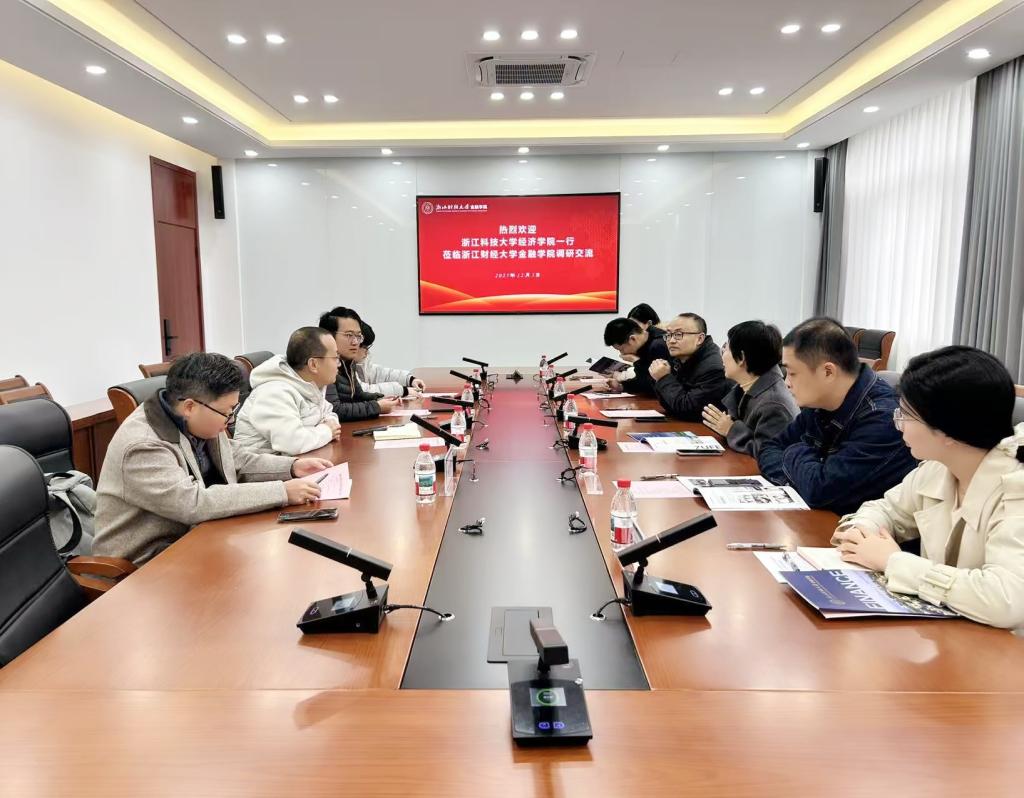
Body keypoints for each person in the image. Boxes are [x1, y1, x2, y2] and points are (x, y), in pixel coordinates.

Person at [832, 346, 1024, 629]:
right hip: (950, 632)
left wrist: (894, 562)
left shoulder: (1016, 487)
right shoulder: (940, 467)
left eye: (906, 415)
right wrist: (862, 532)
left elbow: (1007, 600)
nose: (898, 424)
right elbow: (886, 508)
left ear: (949, 430)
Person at [92, 353, 331, 565]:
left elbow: (237, 459)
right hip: (146, 562)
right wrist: (282, 492)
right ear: (189, 407)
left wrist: (292, 467)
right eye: (226, 413)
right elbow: (192, 502)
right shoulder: (142, 445)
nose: (230, 420)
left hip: (197, 538)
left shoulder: (199, 419)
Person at [758, 317, 917, 514]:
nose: (786, 382)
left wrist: (793, 451)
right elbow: (769, 449)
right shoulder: (819, 402)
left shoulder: (882, 419)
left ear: (828, 372)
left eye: (792, 373)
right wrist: (804, 475)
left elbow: (821, 491)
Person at [233, 327, 343, 455]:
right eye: (335, 357)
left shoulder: (311, 385)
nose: (339, 364)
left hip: (296, 460)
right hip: (263, 465)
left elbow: (329, 416)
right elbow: (293, 443)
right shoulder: (274, 393)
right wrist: (326, 431)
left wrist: (327, 428)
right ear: (313, 364)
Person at [702, 320, 799, 457]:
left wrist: (731, 430)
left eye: (726, 348)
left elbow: (767, 453)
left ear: (741, 358)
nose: (722, 354)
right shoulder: (747, 386)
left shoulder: (774, 404)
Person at [319, 307, 400, 421]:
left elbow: (358, 395)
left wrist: (379, 399)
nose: (355, 342)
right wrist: (376, 407)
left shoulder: (348, 363)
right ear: (329, 336)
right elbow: (334, 409)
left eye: (358, 336)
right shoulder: (323, 365)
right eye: (349, 335)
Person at [649, 312, 734, 420]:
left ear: (700, 338)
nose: (671, 341)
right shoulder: (681, 358)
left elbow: (689, 410)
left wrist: (664, 378)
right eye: (669, 335)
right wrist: (659, 377)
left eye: (678, 334)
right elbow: (670, 404)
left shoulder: (713, 367)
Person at [354, 320, 427, 398]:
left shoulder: (357, 363)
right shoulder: (345, 366)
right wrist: (402, 390)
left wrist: (410, 380)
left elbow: (380, 374)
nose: (367, 352)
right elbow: (363, 390)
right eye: (365, 347)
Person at [602, 317, 669, 395]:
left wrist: (636, 361)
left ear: (632, 339)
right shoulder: (646, 340)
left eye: (621, 349)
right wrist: (621, 386)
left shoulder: (658, 346)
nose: (622, 354)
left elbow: (653, 386)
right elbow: (641, 382)